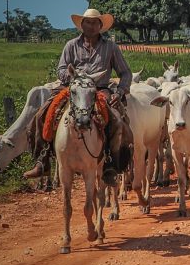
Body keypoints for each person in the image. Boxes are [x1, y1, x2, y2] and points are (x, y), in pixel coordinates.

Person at [23, 9, 134, 185]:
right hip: (73, 88)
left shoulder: (110, 47)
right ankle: (42, 160)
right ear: (81, 25)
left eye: (95, 23)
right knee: (43, 113)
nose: (91, 26)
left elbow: (126, 73)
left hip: (99, 89)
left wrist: (119, 92)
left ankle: (110, 163)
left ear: (100, 26)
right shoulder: (71, 45)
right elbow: (60, 69)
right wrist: (74, 76)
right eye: (87, 23)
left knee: (117, 120)